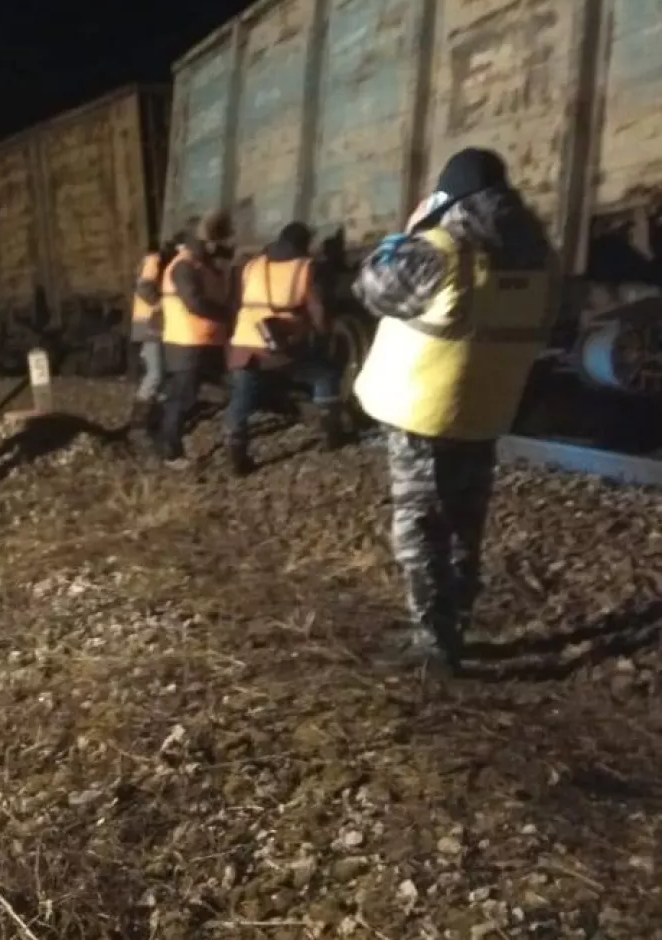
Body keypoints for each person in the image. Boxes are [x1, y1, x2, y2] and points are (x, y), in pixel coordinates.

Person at [353, 148, 557, 671]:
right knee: (465, 527)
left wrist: (410, 230)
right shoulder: (538, 256)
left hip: (426, 416)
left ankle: (433, 643)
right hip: (484, 414)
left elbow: (371, 288)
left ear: (449, 199)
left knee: (421, 530)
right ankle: (455, 625)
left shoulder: (437, 250)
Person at [224, 221, 346, 475]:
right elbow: (318, 309)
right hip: (278, 344)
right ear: (303, 244)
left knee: (242, 395)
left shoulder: (252, 265)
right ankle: (330, 433)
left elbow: (237, 302)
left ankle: (236, 453)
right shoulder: (304, 267)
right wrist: (323, 333)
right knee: (324, 374)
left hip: (244, 342)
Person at [157, 210, 235, 467]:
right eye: (218, 243)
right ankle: (171, 452)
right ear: (207, 242)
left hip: (205, 342)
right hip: (186, 344)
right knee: (181, 398)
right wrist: (225, 313)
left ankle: (232, 435)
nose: (221, 248)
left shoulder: (201, 265)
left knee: (231, 387)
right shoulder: (183, 266)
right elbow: (195, 303)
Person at [127, 242, 166, 447]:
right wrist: (161, 304)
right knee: (155, 374)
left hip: (149, 325)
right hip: (149, 325)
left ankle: (153, 421)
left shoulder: (152, 260)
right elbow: (144, 287)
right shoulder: (154, 260)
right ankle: (139, 424)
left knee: (158, 374)